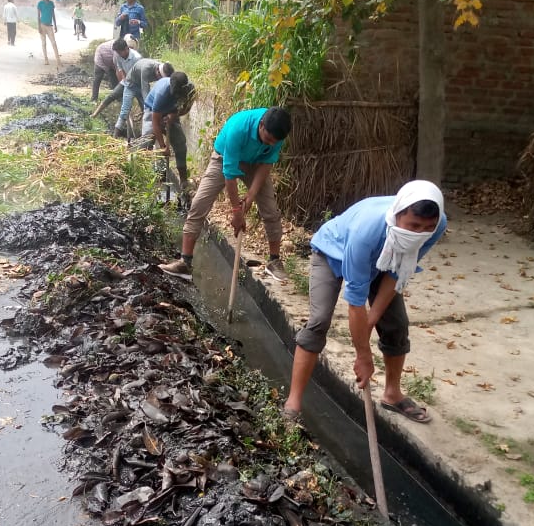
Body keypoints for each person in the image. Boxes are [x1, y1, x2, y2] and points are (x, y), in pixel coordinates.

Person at [283, 180, 447, 424]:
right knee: (318, 322)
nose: (419, 233)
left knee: (396, 325)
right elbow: (355, 302)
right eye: (413, 225)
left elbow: (396, 274)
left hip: (384, 262)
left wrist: (369, 324)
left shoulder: (438, 226)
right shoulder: (367, 231)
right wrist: (363, 354)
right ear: (397, 215)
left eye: (426, 227)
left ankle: (392, 394)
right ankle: (293, 403)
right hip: (332, 253)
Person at [159, 107, 291, 282]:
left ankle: (274, 261)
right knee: (199, 204)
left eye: (275, 142)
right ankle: (185, 262)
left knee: (271, 210)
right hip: (224, 158)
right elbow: (230, 175)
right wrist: (237, 212)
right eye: (268, 139)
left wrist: (250, 196)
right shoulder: (238, 128)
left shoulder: (277, 132)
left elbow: (266, 165)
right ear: (261, 126)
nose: (271, 144)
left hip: (256, 163)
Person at [134, 71, 195, 198]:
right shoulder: (162, 93)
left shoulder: (190, 91)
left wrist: (175, 115)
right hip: (153, 112)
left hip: (171, 113)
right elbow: (156, 122)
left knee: (180, 145)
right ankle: (137, 179)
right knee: (145, 144)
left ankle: (183, 182)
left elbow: (187, 108)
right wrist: (162, 146)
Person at [112, 58, 174, 137]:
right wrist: (150, 107)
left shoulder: (164, 68)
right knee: (125, 111)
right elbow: (145, 90)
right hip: (131, 85)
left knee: (148, 112)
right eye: (161, 78)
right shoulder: (146, 69)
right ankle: (115, 137)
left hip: (141, 86)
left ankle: (152, 134)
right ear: (158, 72)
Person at [90, 38, 141, 126]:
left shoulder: (137, 58)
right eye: (117, 53)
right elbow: (119, 70)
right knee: (110, 94)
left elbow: (140, 76)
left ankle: (145, 116)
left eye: (120, 52)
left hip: (136, 82)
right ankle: (94, 113)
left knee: (142, 101)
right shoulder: (117, 54)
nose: (119, 54)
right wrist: (123, 82)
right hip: (125, 80)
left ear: (126, 49)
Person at [36, 0, 60, 67]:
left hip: (50, 26)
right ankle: (46, 59)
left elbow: (53, 15)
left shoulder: (51, 3)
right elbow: (38, 16)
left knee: (54, 43)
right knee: (44, 43)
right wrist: (38, 26)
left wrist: (55, 25)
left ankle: (58, 60)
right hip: (42, 25)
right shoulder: (40, 4)